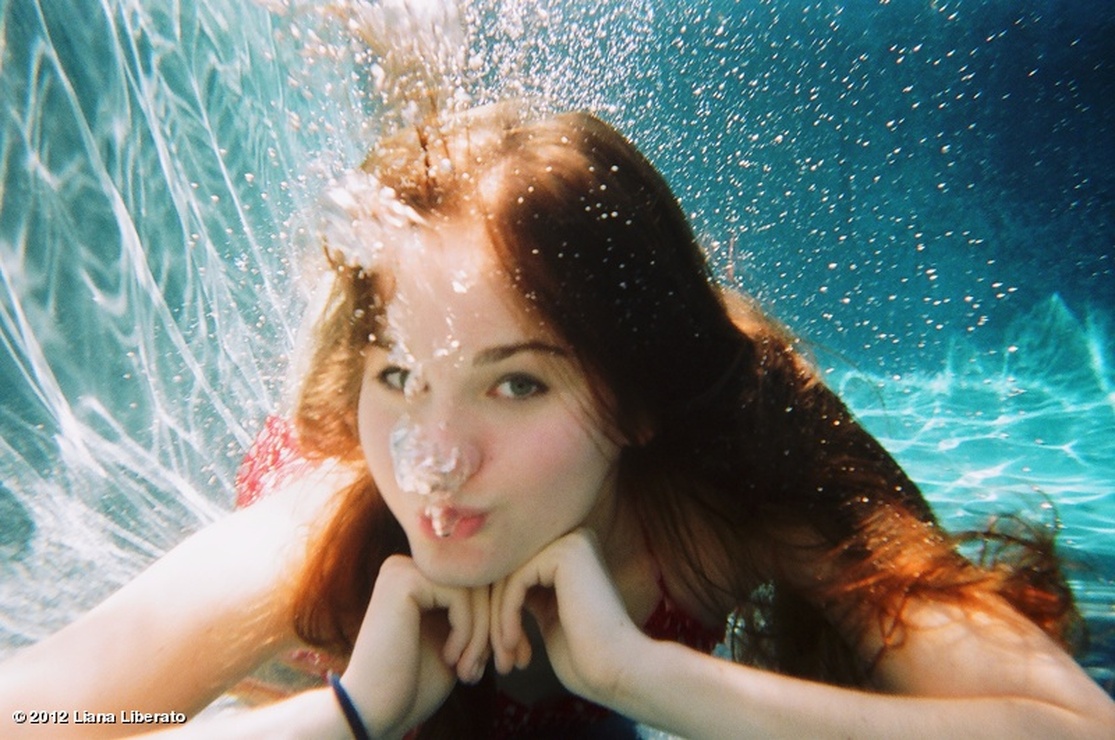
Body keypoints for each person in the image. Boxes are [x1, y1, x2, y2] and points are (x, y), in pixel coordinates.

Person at [1, 103, 1112, 740]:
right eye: (399, 375)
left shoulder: (726, 489)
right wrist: (347, 712)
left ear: (633, 401)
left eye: (518, 384)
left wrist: (648, 678)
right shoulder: (330, 514)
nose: (435, 463)